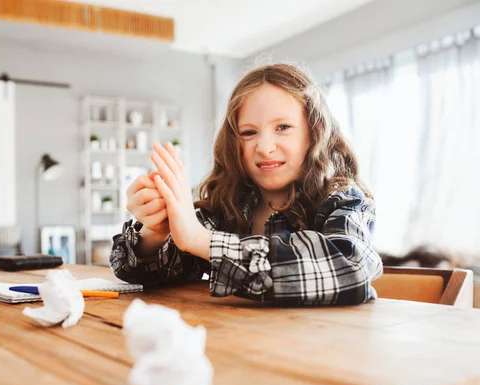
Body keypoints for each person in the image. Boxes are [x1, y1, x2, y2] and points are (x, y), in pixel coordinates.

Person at [110, 64, 383, 306]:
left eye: (283, 127)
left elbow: (350, 266)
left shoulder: (343, 198)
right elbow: (147, 274)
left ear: (315, 133)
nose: (264, 148)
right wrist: (155, 232)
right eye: (248, 133)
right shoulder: (228, 205)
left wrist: (199, 239)